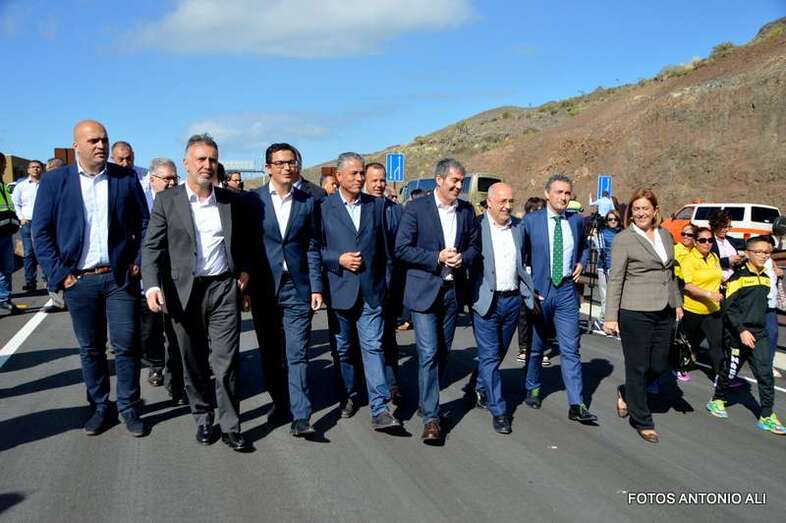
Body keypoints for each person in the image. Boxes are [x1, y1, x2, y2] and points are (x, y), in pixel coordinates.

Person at [32, 120, 149, 437]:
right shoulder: (56, 181)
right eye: (93, 140)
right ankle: (99, 406)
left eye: (104, 140)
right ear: (76, 146)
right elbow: (41, 233)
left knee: (126, 344)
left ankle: (129, 406)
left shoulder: (124, 178)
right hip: (79, 281)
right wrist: (60, 275)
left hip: (119, 278)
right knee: (91, 348)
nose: (101, 145)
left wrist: (138, 261)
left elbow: (146, 222)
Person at [142, 133, 253, 451]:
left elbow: (243, 241)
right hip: (183, 291)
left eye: (212, 159)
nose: (208, 165)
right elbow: (151, 247)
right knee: (192, 361)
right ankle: (204, 419)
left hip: (221, 289)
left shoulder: (231, 200)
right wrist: (151, 285)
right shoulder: (168, 201)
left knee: (227, 362)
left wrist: (244, 270)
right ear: (187, 164)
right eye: (201, 159)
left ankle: (232, 425)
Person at [395, 158, 479, 443]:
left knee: (442, 353)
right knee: (429, 352)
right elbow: (402, 248)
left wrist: (461, 258)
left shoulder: (467, 211)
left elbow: (474, 247)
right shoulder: (416, 209)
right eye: (455, 181)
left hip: (452, 293)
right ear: (439, 180)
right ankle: (431, 418)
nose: (459, 186)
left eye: (461, 181)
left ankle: (425, 401)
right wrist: (436, 257)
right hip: (423, 291)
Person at [247, 142, 324, 436]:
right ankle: (280, 403)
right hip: (264, 287)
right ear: (268, 168)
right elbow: (247, 246)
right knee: (270, 353)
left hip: (297, 287)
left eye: (291, 162)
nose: (287, 167)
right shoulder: (252, 201)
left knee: (297, 353)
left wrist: (316, 286)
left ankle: (301, 415)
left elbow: (312, 246)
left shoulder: (307, 202)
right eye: (280, 163)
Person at [320, 152, 400, 432]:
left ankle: (380, 408)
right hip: (339, 290)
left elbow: (388, 251)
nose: (359, 178)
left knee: (373, 346)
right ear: (339, 176)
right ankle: (349, 396)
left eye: (361, 173)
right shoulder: (323, 207)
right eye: (353, 173)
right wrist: (337, 259)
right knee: (342, 349)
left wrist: (386, 285)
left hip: (371, 291)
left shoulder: (377, 207)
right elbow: (314, 249)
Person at [604, 189, 683, 444]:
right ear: (631, 213)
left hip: (665, 309)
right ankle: (642, 419)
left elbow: (670, 273)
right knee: (637, 366)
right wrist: (610, 316)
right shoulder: (624, 240)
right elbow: (615, 279)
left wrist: (678, 303)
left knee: (659, 365)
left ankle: (627, 392)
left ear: (655, 210)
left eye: (645, 208)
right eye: (636, 209)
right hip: (634, 310)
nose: (640, 213)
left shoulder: (665, 235)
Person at [520, 174, 597, 423]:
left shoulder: (575, 221)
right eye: (559, 192)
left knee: (570, 348)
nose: (564, 197)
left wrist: (582, 263)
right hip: (541, 290)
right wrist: (527, 288)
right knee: (537, 344)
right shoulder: (531, 222)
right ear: (547, 194)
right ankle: (532, 385)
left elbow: (584, 247)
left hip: (565, 291)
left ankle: (576, 403)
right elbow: (519, 257)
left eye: (567, 193)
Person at [470, 183, 535, 435]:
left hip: (512, 301)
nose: (507, 206)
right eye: (502, 202)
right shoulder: (476, 226)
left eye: (511, 201)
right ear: (489, 203)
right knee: (488, 357)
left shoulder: (519, 228)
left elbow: (525, 259)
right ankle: (499, 411)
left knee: (496, 355)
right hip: (486, 301)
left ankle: (480, 386)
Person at [706, 236, 786, 435]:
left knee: (765, 374)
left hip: (759, 334)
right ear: (748, 253)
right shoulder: (738, 277)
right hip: (737, 334)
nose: (763, 255)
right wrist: (741, 330)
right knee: (730, 372)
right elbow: (728, 308)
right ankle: (717, 400)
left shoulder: (767, 279)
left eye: (767, 252)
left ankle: (767, 415)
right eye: (758, 252)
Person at [138, 158, 185, 403]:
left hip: (177, 274)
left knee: (177, 330)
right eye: (166, 179)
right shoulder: (140, 201)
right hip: (148, 273)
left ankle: (177, 380)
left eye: (174, 178)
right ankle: (156, 363)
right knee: (150, 327)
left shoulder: (182, 201)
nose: (170, 183)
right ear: (152, 180)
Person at [365, 162, 404, 404]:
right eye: (374, 180)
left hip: (389, 284)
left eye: (382, 180)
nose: (379, 185)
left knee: (388, 337)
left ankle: (392, 384)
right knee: (368, 340)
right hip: (363, 283)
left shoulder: (395, 210)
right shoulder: (358, 209)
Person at [678, 227, 724, 381]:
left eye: (710, 240)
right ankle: (679, 366)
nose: (707, 243)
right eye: (702, 240)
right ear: (695, 242)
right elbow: (688, 286)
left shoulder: (714, 257)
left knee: (716, 343)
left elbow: (718, 276)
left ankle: (719, 376)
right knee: (689, 342)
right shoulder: (689, 260)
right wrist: (709, 294)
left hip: (713, 310)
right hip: (693, 310)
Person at [516, 196, 546, 364]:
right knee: (524, 313)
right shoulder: (521, 228)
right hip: (524, 276)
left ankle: (539, 346)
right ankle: (524, 347)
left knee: (539, 312)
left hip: (539, 276)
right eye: (535, 211)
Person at [12, 160, 44, 291]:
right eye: (33, 167)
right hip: (28, 223)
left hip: (43, 223)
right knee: (29, 253)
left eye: (38, 167)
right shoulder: (21, 186)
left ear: (41, 169)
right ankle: (30, 282)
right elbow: (15, 202)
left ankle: (48, 280)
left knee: (44, 251)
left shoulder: (46, 184)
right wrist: (20, 217)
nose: (36, 169)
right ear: (28, 170)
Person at [592, 210, 623, 332]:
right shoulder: (602, 233)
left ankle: (614, 321)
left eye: (615, 219)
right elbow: (600, 250)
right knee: (605, 296)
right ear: (606, 221)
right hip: (604, 268)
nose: (613, 221)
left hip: (619, 269)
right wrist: (595, 237)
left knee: (617, 297)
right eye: (610, 219)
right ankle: (603, 320)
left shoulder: (623, 233)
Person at [0, 152, 21, 314]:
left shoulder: (3, 185)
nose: (4, 166)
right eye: (2, 163)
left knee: (6, 268)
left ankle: (4, 299)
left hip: (6, 234)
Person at [764, 245, 783, 379]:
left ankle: (768, 364)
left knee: (772, 333)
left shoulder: (771, 261)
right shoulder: (750, 261)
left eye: (769, 250)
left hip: (770, 305)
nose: (766, 253)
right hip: (756, 305)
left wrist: (779, 271)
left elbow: (778, 272)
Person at [708, 209, 744, 282]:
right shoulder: (708, 241)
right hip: (717, 282)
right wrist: (727, 261)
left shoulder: (730, 240)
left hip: (734, 281)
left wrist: (740, 260)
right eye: (724, 226)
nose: (727, 229)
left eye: (728, 226)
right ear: (715, 225)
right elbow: (707, 263)